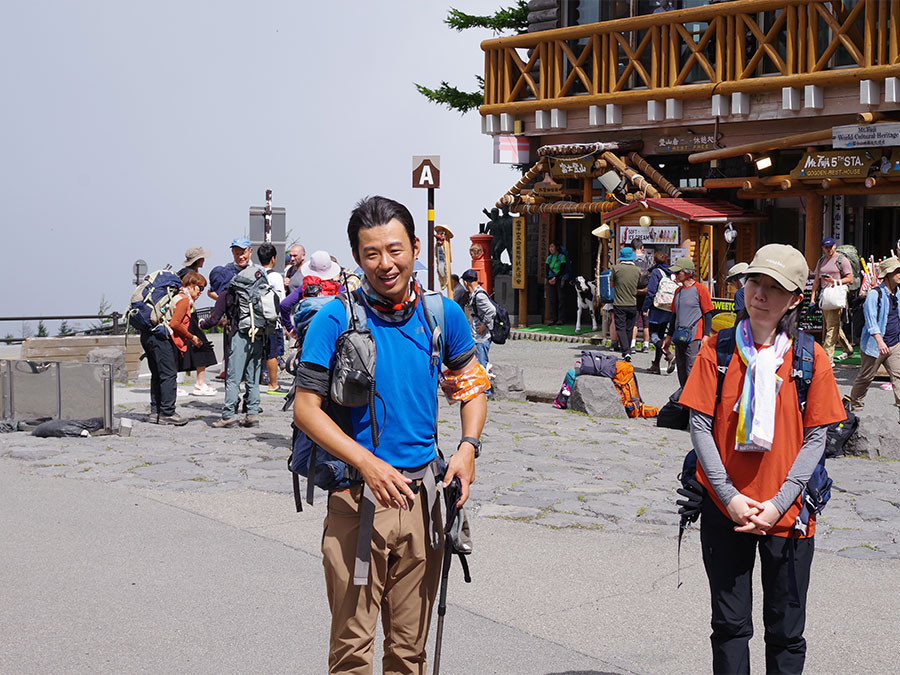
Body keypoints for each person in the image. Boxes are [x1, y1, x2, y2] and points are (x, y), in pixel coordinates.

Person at [293, 195, 487, 674]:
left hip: (424, 499)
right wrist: (366, 462)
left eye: (395, 250)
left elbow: (472, 387)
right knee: (352, 651)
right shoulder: (333, 319)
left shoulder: (443, 315)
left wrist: (467, 448)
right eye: (372, 253)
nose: (386, 264)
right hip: (356, 502)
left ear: (415, 248)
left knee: (409, 651)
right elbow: (305, 410)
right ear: (357, 258)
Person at [679, 243, 845, 675]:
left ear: (794, 299)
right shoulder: (716, 351)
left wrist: (777, 504)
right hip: (724, 508)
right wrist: (730, 496)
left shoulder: (811, 358)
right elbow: (700, 426)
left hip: (789, 515)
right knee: (729, 627)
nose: (761, 294)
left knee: (786, 632)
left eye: (775, 287)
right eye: (755, 282)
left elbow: (816, 438)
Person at [200, 238, 264, 428]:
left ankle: (228, 415)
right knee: (253, 375)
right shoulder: (256, 279)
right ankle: (252, 414)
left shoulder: (226, 292)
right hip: (259, 332)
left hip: (240, 334)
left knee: (234, 376)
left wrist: (203, 323)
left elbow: (213, 319)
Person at [849, 256, 900, 422]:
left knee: (898, 378)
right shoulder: (874, 294)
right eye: (896, 271)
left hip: (894, 344)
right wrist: (880, 341)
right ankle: (855, 410)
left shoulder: (899, 293)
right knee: (865, 377)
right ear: (887, 274)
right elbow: (871, 321)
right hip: (874, 345)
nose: (899, 274)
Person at [662, 257, 713, 387]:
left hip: (695, 335)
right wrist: (668, 336)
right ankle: (683, 399)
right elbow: (674, 315)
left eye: (679, 272)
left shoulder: (700, 289)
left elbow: (708, 314)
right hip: (679, 334)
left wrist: (706, 336)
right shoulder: (678, 291)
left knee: (691, 367)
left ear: (689, 273)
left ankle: (692, 401)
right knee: (681, 369)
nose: (676, 275)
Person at [176, 246, 217, 396]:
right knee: (202, 345)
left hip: (185, 312)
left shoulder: (181, 273)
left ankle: (179, 383)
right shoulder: (190, 275)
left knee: (181, 346)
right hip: (187, 313)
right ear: (198, 260)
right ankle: (199, 384)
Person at [279, 249, 343, 336]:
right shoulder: (339, 288)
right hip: (332, 332)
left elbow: (284, 305)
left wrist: (290, 328)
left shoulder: (305, 288)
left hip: (308, 332)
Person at [811, 237, 854, 363]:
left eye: (831, 246)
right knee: (833, 325)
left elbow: (850, 279)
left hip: (837, 295)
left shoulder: (842, 260)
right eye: (826, 247)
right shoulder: (821, 261)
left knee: (831, 327)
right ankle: (848, 349)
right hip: (826, 295)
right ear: (823, 248)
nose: (829, 249)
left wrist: (834, 281)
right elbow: (816, 280)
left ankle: (826, 357)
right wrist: (812, 298)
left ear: (835, 246)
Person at [257, 243, 288, 395]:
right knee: (272, 353)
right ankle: (273, 384)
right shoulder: (275, 276)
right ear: (274, 259)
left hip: (256, 320)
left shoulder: (255, 274)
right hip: (272, 321)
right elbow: (282, 300)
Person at [643, 250, 675, 375]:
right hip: (669, 308)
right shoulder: (672, 272)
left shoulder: (656, 272)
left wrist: (645, 308)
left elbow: (651, 292)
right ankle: (656, 364)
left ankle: (668, 354)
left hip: (657, 308)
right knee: (661, 335)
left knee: (653, 335)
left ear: (654, 261)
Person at [462, 268, 496, 374]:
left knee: (482, 365)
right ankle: (482, 389)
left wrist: (484, 325)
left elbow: (492, 310)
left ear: (466, 282)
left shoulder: (479, 295)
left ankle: (485, 390)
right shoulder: (475, 293)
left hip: (482, 337)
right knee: (478, 364)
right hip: (477, 336)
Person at [610, 246, 641, 360]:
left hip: (619, 302)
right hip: (632, 302)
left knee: (620, 328)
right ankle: (627, 350)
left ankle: (626, 351)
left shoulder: (616, 268)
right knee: (629, 328)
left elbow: (611, 285)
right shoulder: (637, 270)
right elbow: (638, 284)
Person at [631, 238, 651, 353]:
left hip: (634, 293)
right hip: (646, 293)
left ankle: (632, 344)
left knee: (634, 320)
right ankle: (646, 345)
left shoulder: (631, 261)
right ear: (642, 247)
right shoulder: (648, 260)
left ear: (632, 248)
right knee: (645, 320)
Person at [546, 241, 568, 325]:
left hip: (559, 279)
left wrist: (555, 278)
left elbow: (562, 269)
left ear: (557, 248)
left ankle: (561, 319)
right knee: (552, 299)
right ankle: (553, 318)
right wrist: (549, 279)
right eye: (550, 247)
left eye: (552, 247)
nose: (551, 249)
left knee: (561, 299)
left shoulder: (561, 257)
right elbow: (547, 270)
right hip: (551, 280)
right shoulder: (549, 258)